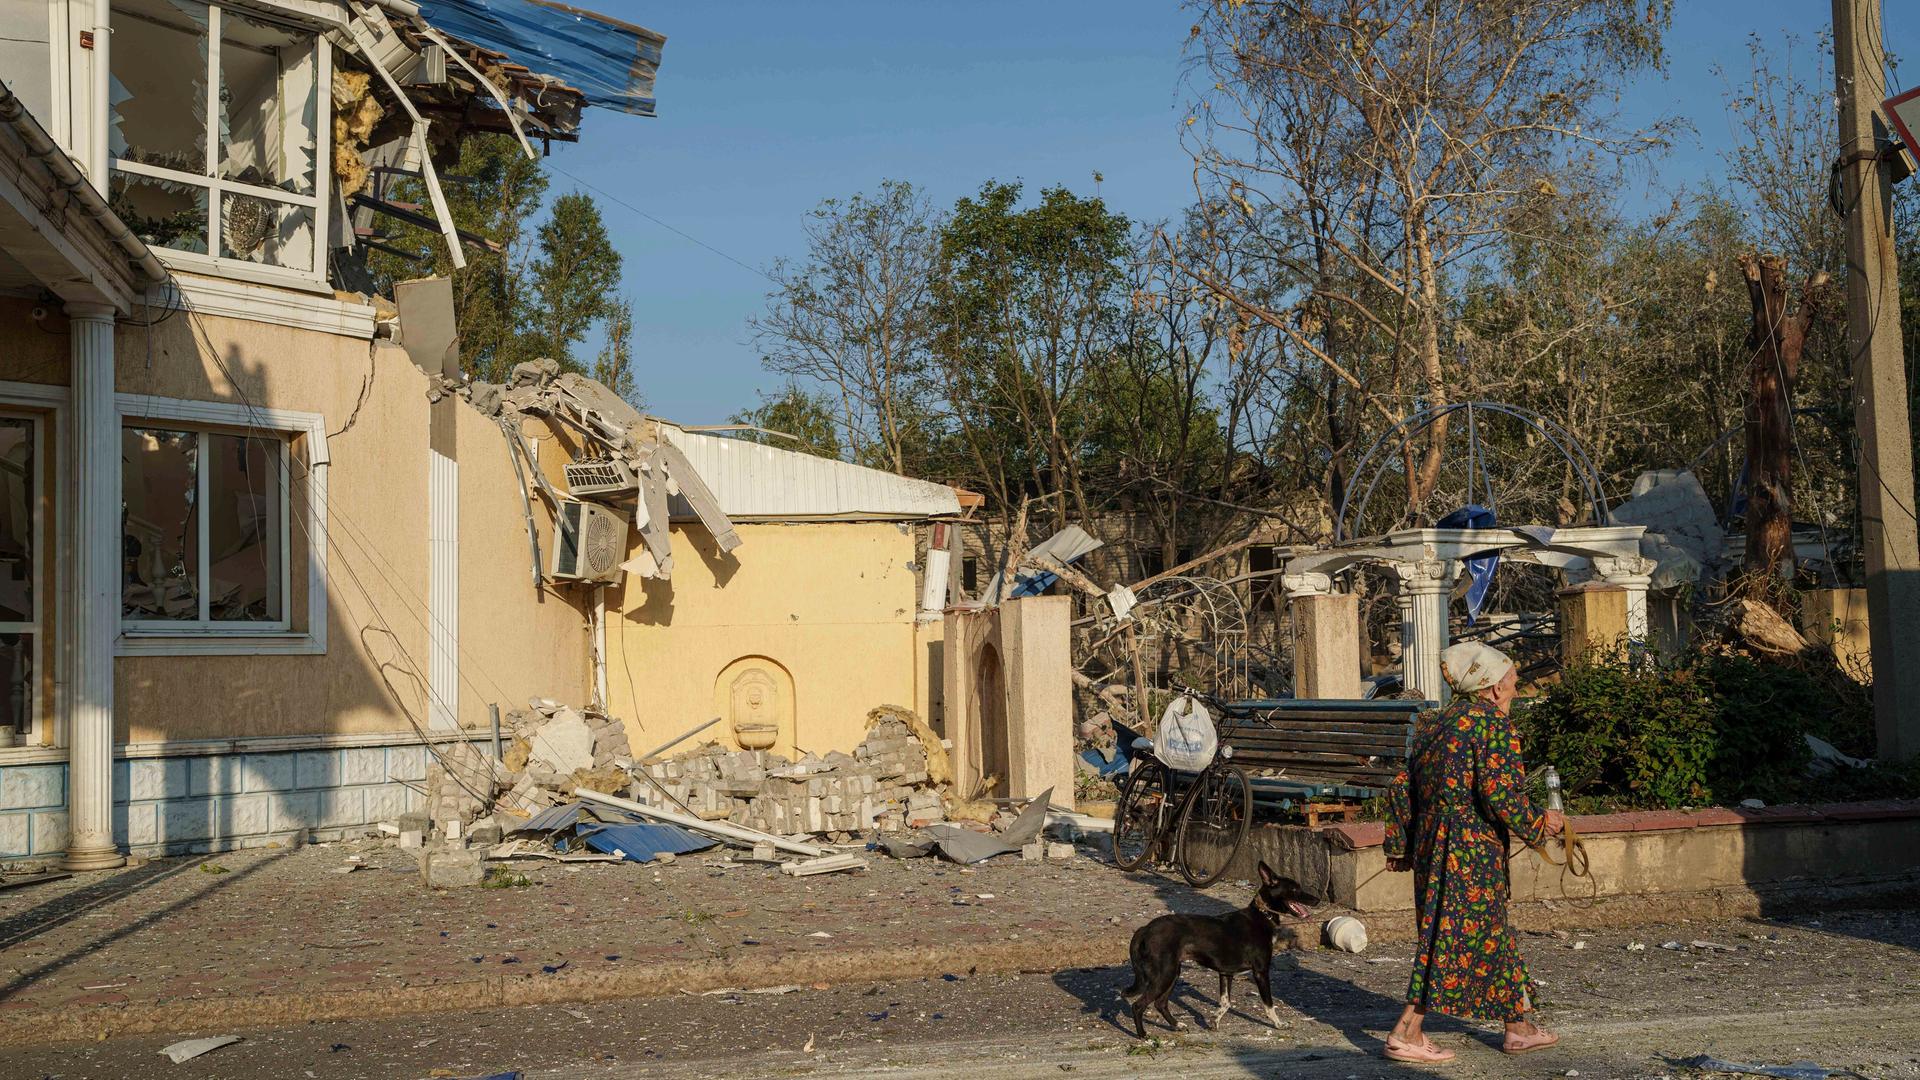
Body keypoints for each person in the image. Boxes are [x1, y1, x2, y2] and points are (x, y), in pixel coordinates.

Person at [1380, 641, 1565, 1063]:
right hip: (1469, 847)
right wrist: (1541, 823)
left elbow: (1401, 788)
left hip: (1433, 842)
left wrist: (1401, 844)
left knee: (1489, 931)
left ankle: (1517, 1028)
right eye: (1514, 684)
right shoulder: (1491, 725)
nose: (1517, 692)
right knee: (1448, 937)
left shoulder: (1434, 723)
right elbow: (1501, 795)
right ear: (1495, 688)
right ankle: (1406, 1031)